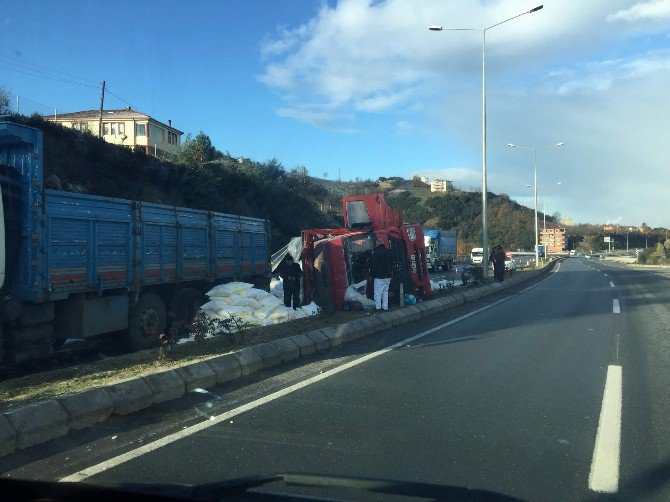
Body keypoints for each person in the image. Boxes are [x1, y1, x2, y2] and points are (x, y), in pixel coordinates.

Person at [369, 239, 393, 311]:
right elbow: (391, 263)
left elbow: (374, 265)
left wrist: (371, 275)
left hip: (379, 276)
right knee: (385, 292)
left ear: (377, 244)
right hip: (388, 276)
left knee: (377, 292)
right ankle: (385, 307)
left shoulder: (376, 252)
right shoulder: (388, 252)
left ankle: (378, 307)